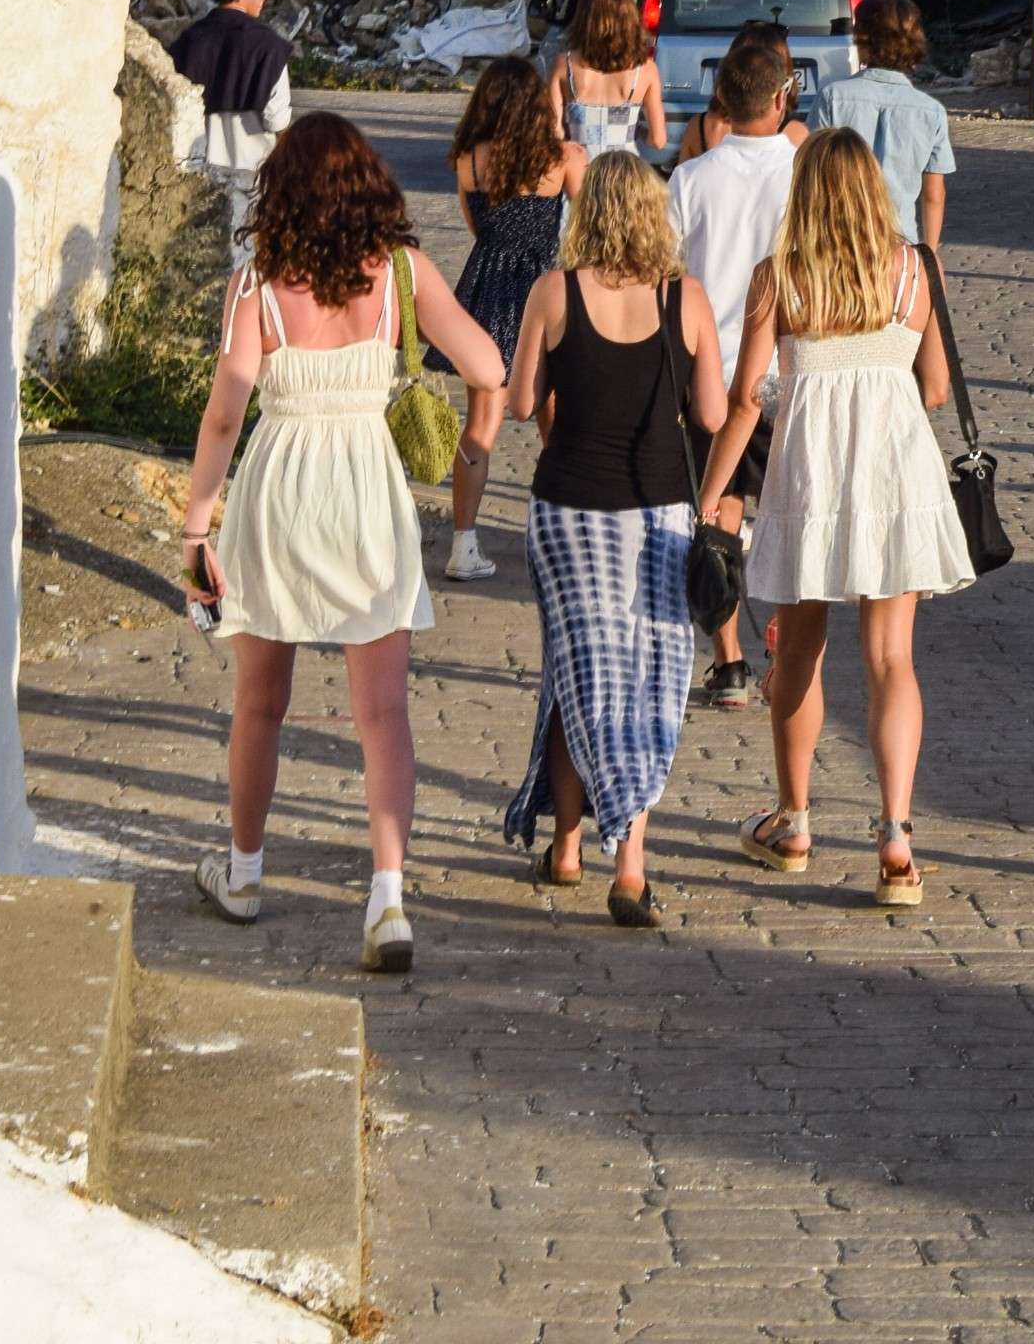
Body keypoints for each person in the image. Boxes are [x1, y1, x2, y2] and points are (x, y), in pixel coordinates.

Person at [177, 112, 505, 975]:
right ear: (368, 187)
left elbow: (224, 413)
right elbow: (487, 366)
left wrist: (194, 524)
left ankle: (244, 874)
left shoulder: (256, 286)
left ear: (280, 191)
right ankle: (388, 898)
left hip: (279, 483)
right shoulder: (403, 273)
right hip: (367, 487)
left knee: (260, 700)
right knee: (383, 712)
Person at [698, 126, 973, 910]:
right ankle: (894, 837)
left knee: (800, 649)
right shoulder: (915, 270)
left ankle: (793, 820)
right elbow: (937, 388)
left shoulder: (776, 276)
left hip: (811, 472)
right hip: (893, 468)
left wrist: (713, 496)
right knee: (892, 657)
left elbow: (748, 398)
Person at [500, 151, 730, 929]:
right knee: (645, 680)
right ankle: (629, 868)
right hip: (657, 510)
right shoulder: (684, 297)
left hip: (567, 510)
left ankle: (567, 846)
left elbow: (524, 399)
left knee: (578, 664)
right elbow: (710, 415)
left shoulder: (552, 292)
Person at [667, 26, 807, 706]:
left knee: (717, 508)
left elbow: (665, 272)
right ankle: (787, 632)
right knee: (789, 505)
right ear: (782, 99)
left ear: (720, 101)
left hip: (711, 370)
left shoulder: (690, 178)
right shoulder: (806, 175)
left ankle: (728, 661)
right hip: (791, 369)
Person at [437, 59, 584, 585]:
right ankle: (563, 540)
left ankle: (463, 543)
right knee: (555, 421)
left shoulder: (468, 161)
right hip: (543, 293)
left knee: (481, 423)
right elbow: (589, 221)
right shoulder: (560, 159)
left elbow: (476, 227)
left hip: (487, 289)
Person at [168, 0, 294, 270]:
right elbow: (277, 118)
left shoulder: (188, 41)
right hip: (251, 169)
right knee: (247, 268)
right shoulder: (268, 46)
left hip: (195, 168)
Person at [821, 0, 953, 245]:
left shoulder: (832, 98)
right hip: (901, 244)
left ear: (861, 39)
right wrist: (930, 252)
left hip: (841, 242)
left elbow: (813, 177)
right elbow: (934, 194)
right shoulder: (931, 111)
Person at [548, 0, 665, 159]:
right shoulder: (646, 69)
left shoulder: (565, 65)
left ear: (585, 18)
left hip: (581, 173)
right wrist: (633, 134)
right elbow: (658, 140)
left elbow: (554, 134)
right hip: (625, 173)